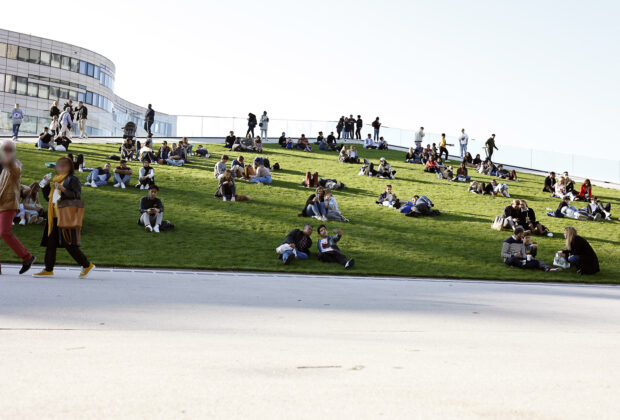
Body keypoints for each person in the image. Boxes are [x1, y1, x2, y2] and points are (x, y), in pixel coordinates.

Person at [34, 156, 95, 278]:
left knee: (69, 244)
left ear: (70, 167)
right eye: (59, 165)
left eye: (63, 165)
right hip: (54, 217)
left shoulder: (72, 179)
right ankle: (48, 269)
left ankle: (87, 265)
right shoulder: (56, 180)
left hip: (66, 215)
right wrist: (45, 186)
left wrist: (64, 189)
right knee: (50, 243)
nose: (60, 167)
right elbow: (48, 198)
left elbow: (76, 196)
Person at [0, 140, 36, 274]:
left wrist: (9, 161)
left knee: (4, 232)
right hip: (1, 203)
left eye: (9, 149)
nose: (7, 151)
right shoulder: (4, 166)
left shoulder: (14, 164)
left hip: (9, 203)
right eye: (5, 149)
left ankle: (27, 257)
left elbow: (15, 170)